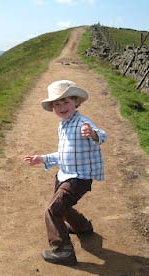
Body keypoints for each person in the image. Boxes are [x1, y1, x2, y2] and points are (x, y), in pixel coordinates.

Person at [24, 80, 107, 266]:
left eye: (66, 102)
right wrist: (43, 158)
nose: (62, 107)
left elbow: (102, 135)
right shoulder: (63, 125)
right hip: (64, 174)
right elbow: (63, 155)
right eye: (57, 104)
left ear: (76, 102)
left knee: (53, 210)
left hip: (79, 178)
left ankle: (63, 251)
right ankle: (83, 227)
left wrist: (92, 133)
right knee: (62, 206)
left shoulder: (82, 122)